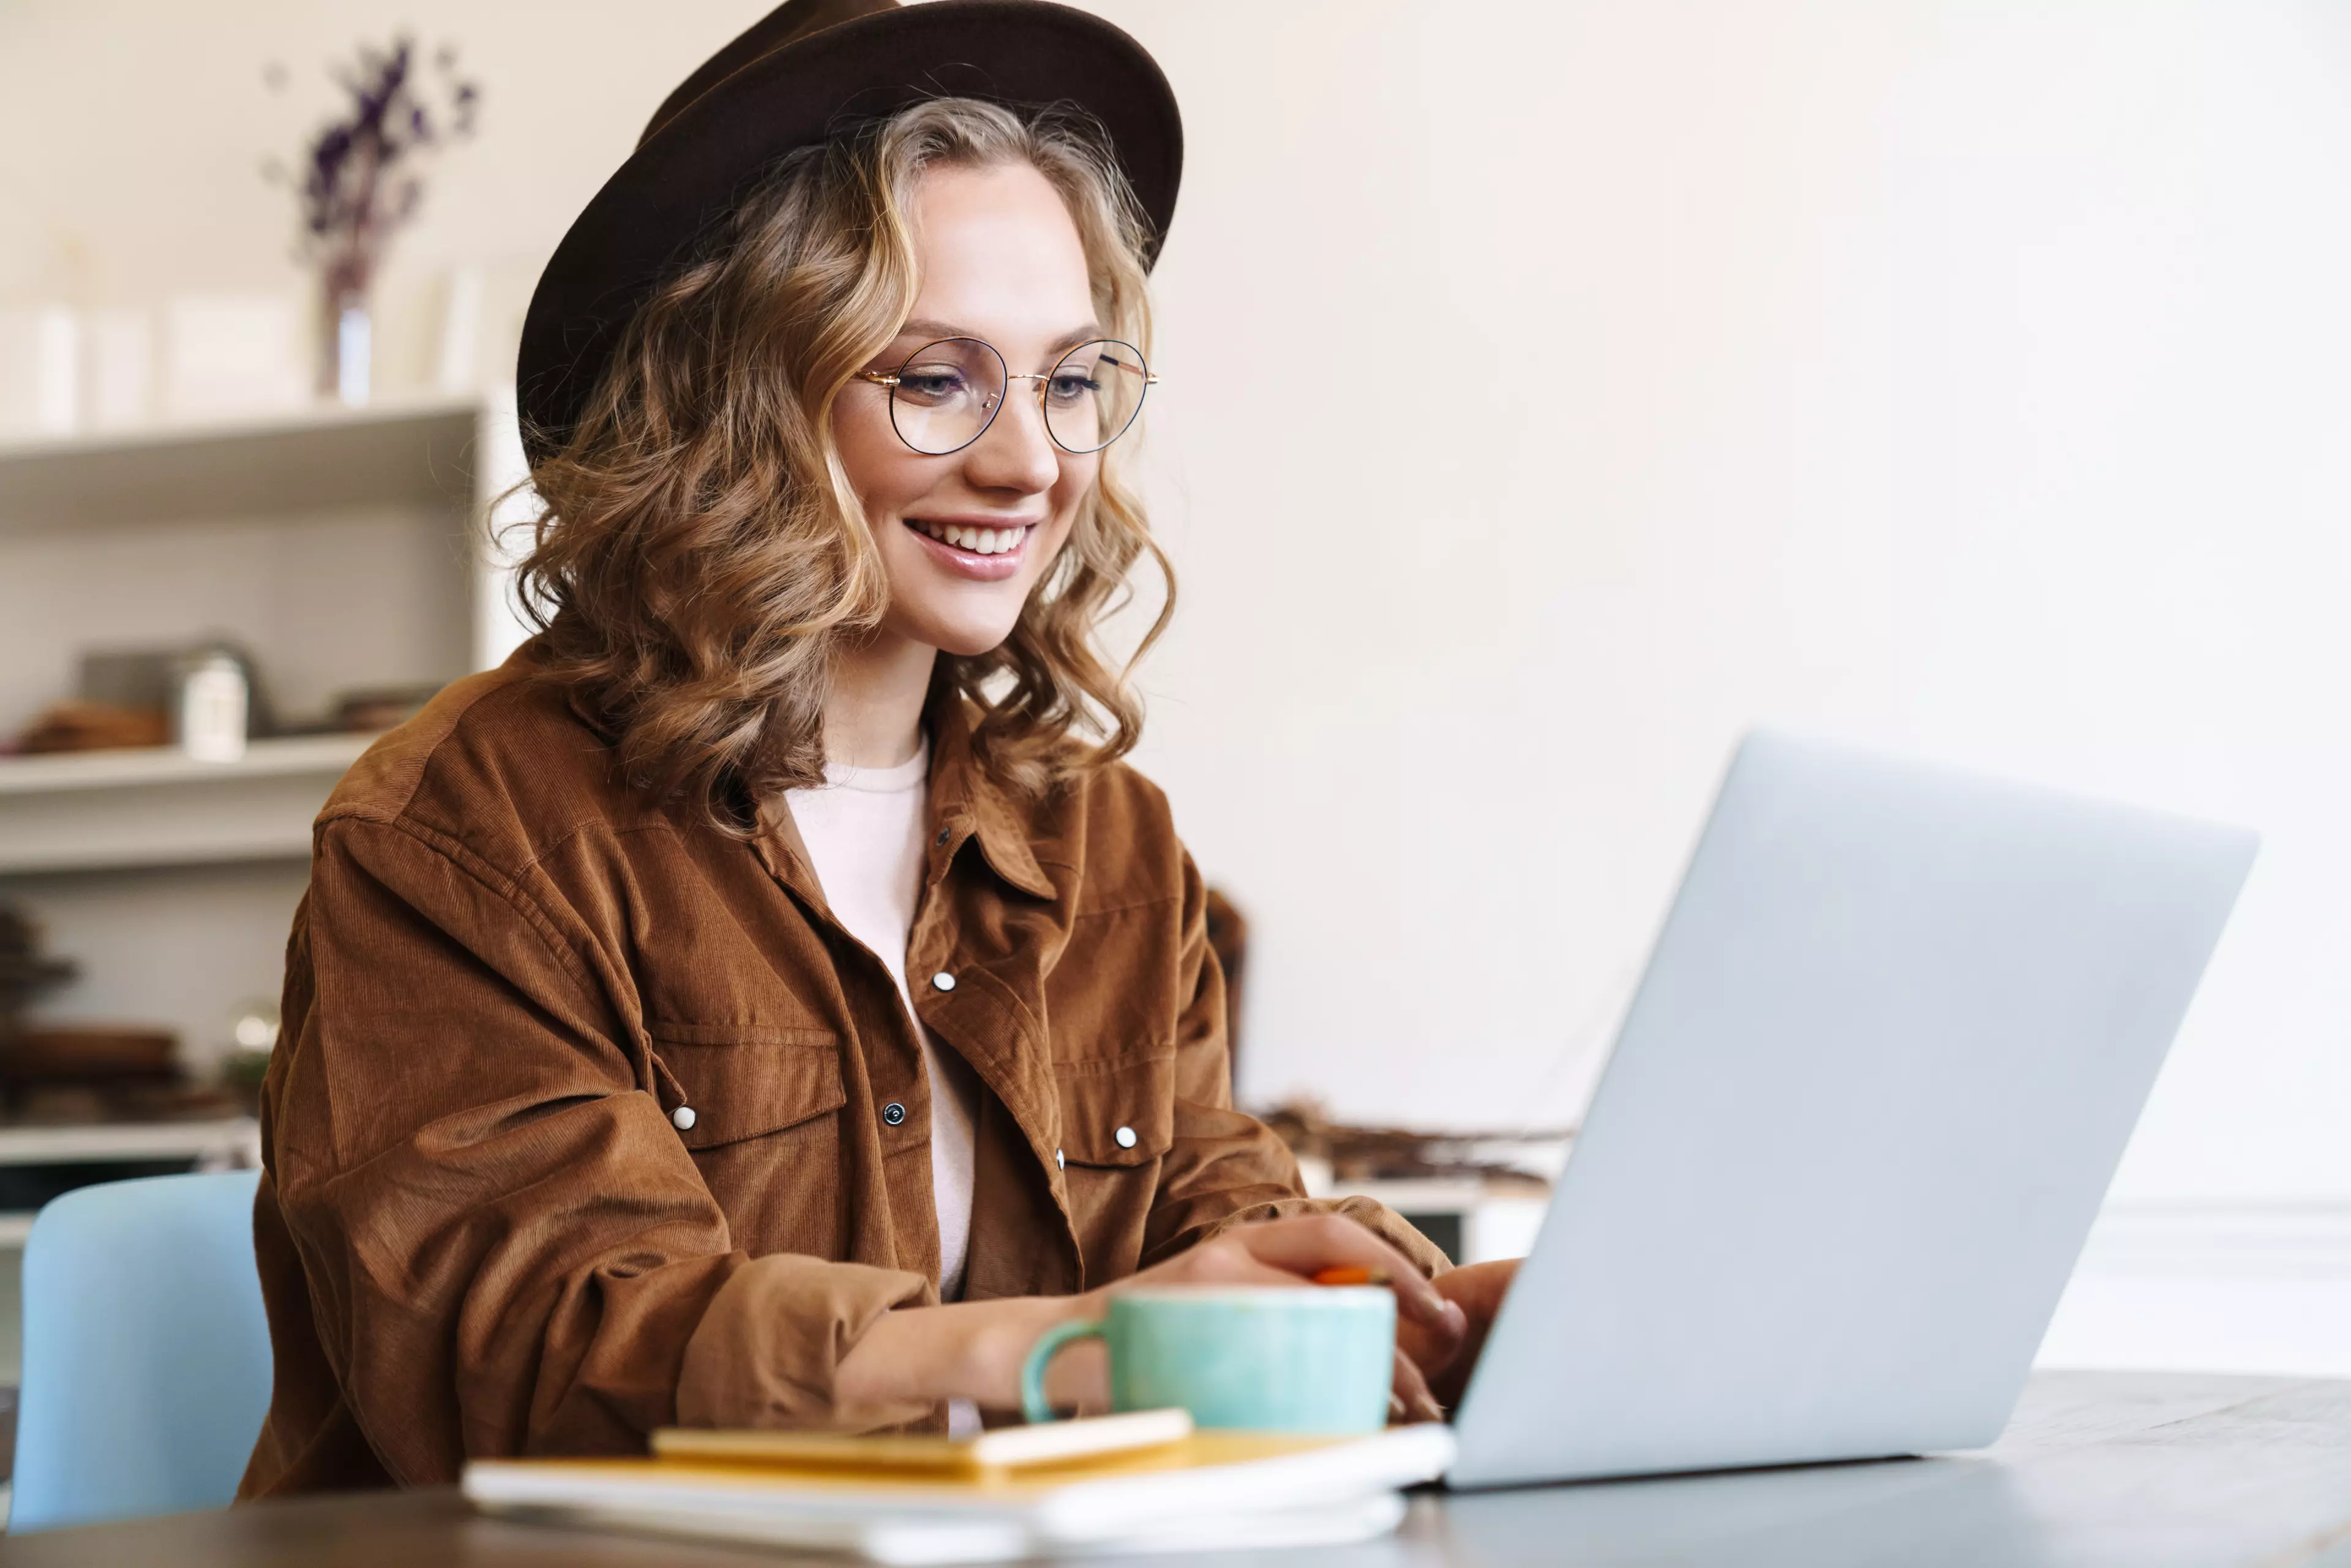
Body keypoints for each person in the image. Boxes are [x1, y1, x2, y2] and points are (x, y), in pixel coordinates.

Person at [239, 0, 1514, 1496]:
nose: (1030, 460)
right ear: (738, 398)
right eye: (935, 376)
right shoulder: (464, 834)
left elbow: (1206, 1235)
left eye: (1069, 379)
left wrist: (1397, 1312)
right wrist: (1060, 1345)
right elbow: (535, 1357)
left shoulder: (1110, 845)